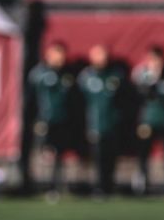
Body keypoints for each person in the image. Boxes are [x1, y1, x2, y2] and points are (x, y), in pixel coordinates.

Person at [26, 41, 78, 196]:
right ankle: (41, 186)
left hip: (62, 120)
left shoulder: (67, 74)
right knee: (45, 153)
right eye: (57, 54)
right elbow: (31, 99)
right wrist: (36, 120)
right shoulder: (39, 73)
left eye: (62, 54)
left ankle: (56, 186)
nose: (60, 58)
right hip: (45, 120)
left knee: (59, 154)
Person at [77, 44, 130, 195]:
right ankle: (99, 187)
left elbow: (125, 100)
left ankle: (109, 185)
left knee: (112, 156)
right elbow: (80, 102)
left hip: (112, 123)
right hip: (95, 123)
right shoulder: (86, 77)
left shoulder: (116, 76)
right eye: (98, 55)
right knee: (97, 157)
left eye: (103, 55)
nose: (101, 59)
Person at [132, 45, 164, 193]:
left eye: (157, 59)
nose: (154, 62)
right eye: (151, 59)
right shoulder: (142, 74)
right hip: (148, 120)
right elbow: (139, 96)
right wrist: (152, 81)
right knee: (143, 153)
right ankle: (143, 185)